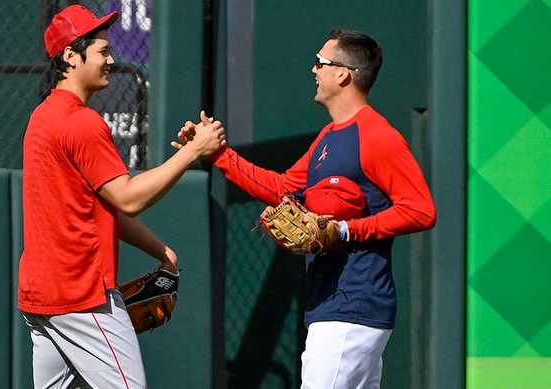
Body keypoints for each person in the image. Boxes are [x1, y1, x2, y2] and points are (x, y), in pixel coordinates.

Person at [175, 28, 436, 388]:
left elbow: (420, 210)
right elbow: (282, 187)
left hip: (353, 303)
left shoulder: (377, 135)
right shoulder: (329, 137)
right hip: (332, 302)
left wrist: (347, 230)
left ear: (343, 74)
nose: (314, 70)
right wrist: (218, 154)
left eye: (320, 62)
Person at [18, 5, 225, 389]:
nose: (111, 59)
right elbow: (128, 198)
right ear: (70, 56)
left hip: (41, 297)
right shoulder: (80, 122)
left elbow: (104, 206)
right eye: (102, 51)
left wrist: (162, 252)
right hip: (82, 296)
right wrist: (191, 153)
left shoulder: (42, 117)